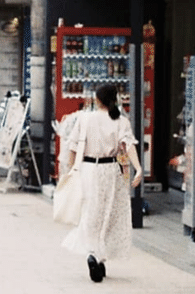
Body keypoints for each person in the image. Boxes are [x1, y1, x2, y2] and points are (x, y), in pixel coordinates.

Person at [62, 84, 142, 282]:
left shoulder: (85, 118)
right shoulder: (121, 121)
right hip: (111, 171)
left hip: (89, 170)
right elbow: (129, 145)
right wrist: (138, 168)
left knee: (90, 212)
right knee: (109, 213)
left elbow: (72, 147)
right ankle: (99, 256)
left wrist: (70, 171)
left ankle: (93, 254)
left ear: (97, 99)